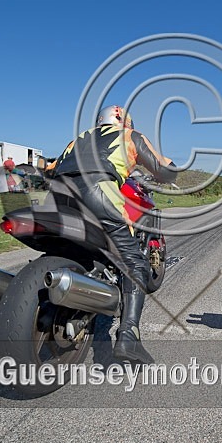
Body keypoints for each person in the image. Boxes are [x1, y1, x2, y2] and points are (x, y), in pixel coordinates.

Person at [49, 105, 177, 363]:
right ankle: (129, 336)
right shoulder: (130, 136)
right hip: (97, 192)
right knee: (135, 263)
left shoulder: (79, 139)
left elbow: (51, 168)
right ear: (124, 121)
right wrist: (172, 167)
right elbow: (162, 169)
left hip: (58, 198)